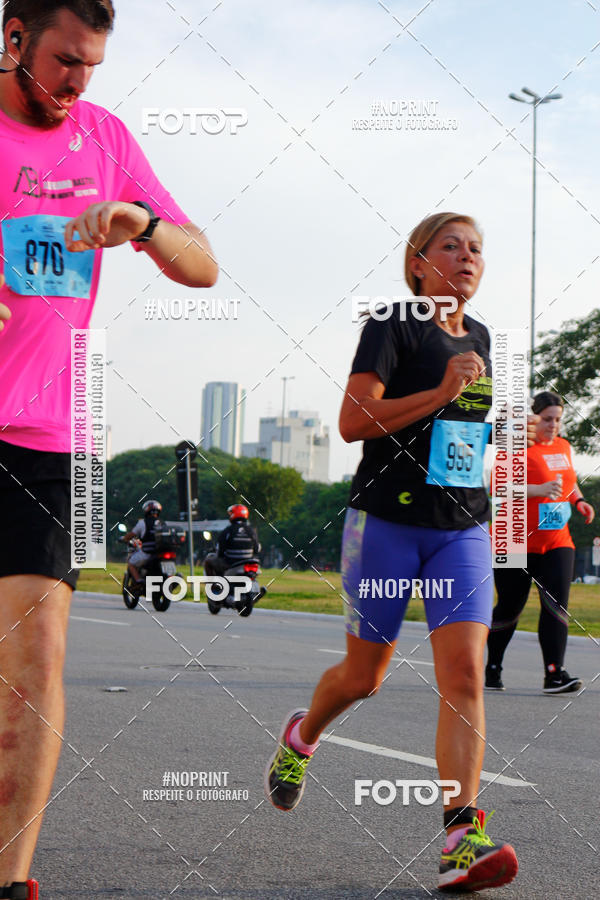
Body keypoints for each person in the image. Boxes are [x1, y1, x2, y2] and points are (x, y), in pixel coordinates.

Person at [0, 2, 217, 896]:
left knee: (37, 660)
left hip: (51, 436)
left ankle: (12, 881)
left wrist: (140, 223)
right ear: (13, 40)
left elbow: (202, 263)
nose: (76, 83)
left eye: (90, 65)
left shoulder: (105, 138)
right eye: (61, 62)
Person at [265, 212, 521, 893]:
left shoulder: (486, 339)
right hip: (386, 521)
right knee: (364, 677)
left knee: (465, 675)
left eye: (476, 249)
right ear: (418, 263)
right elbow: (354, 421)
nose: (466, 257)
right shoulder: (393, 322)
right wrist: (440, 392)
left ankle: (461, 835)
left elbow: (465, 436)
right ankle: (302, 737)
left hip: (462, 527)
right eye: (450, 246)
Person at [486, 391, 594, 694]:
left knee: (556, 605)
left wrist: (580, 500)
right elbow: (500, 488)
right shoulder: (516, 447)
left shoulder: (564, 446)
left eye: (558, 419)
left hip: (557, 540)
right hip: (513, 540)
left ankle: (554, 674)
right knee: (510, 607)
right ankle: (493, 666)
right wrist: (539, 489)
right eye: (547, 419)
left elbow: (567, 484)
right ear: (534, 419)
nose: (553, 425)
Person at [204, 505, 260, 576]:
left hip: (231, 563)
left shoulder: (228, 531)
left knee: (208, 561)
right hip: (248, 564)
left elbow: (221, 550)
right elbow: (256, 549)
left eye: (231, 513)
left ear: (234, 514)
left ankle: (216, 584)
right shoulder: (251, 531)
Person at [120, 499, 163, 584]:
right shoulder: (162, 523)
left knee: (131, 563)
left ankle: (139, 580)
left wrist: (124, 538)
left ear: (146, 511)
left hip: (148, 552)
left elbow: (132, 534)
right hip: (160, 552)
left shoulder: (142, 522)